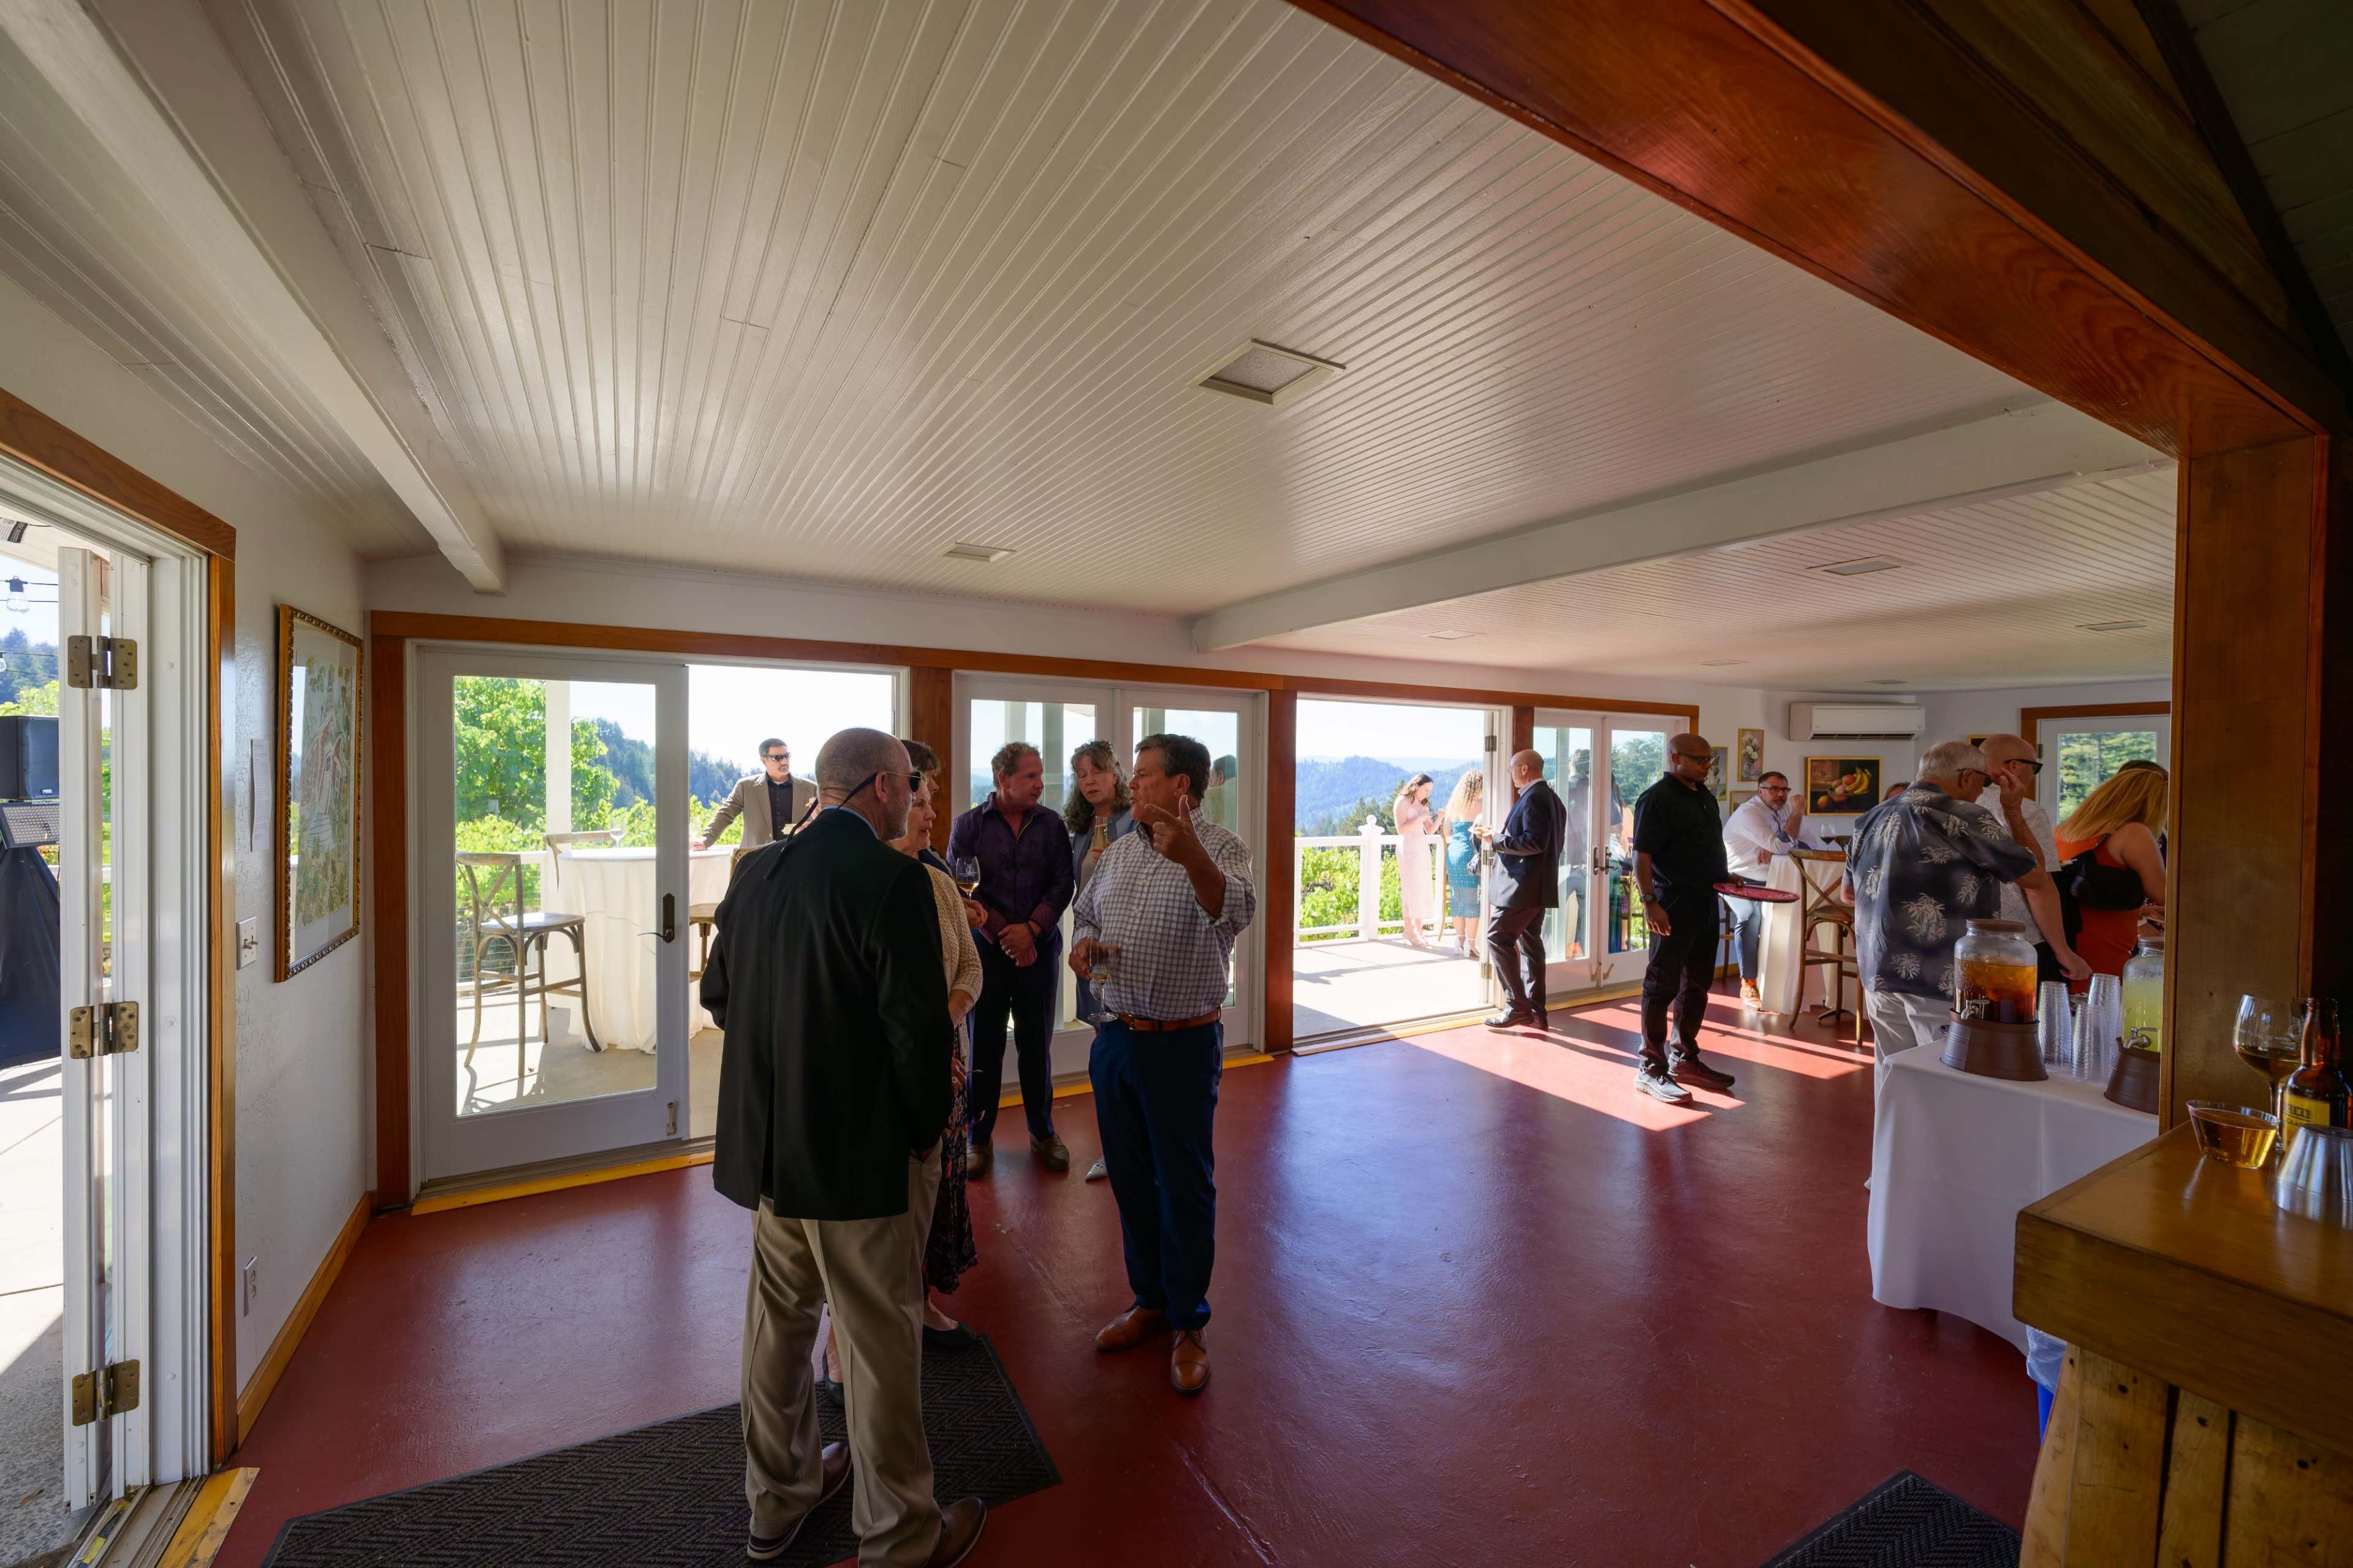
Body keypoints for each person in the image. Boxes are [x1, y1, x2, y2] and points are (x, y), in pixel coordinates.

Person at [700, 727, 984, 1568]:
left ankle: (777, 1499)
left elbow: (720, 997)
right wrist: (931, 1128)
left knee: (777, 1328)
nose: (911, 797)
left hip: (770, 1153)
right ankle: (900, 1535)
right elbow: (915, 1033)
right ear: (880, 787)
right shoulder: (891, 881)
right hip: (861, 1160)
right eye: (906, 784)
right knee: (878, 1341)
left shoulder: (755, 873)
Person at [1072, 733, 1256, 1398]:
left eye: (1144, 776)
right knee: (1129, 1176)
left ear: (1182, 787)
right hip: (1116, 1039)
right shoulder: (1120, 850)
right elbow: (1085, 916)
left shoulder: (1224, 849)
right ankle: (1148, 1301)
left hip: (1180, 1043)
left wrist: (1191, 854)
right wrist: (1083, 949)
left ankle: (1188, 1322)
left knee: (1184, 1183)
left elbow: (1234, 910)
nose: (1133, 786)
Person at [1841, 740, 2058, 1084]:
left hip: (1878, 971)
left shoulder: (1871, 817)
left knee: (1892, 1078)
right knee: (1945, 1081)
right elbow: (2035, 876)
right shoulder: (1963, 815)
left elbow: (1848, 893)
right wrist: (2013, 810)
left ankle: (1892, 1141)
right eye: (1984, 781)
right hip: (1940, 976)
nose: (1982, 790)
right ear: (1968, 777)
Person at [945, 742, 1075, 1176]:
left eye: (1040, 776)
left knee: (1037, 1044)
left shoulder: (1052, 824)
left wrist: (1032, 931)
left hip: (1039, 950)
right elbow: (963, 886)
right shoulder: (968, 825)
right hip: (987, 953)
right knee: (985, 1045)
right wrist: (1007, 933)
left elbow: (1063, 883)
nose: (1041, 784)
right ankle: (977, 1139)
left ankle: (1043, 1132)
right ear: (1004, 780)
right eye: (1031, 776)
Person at [1630, 733, 1740, 1103]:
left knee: (1696, 985)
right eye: (1699, 760)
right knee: (1661, 986)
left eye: (1710, 761)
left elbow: (1705, 849)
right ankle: (1651, 1067)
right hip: (1671, 905)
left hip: (1706, 904)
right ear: (1675, 757)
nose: (1707, 767)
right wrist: (1649, 903)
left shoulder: (1705, 798)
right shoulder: (1656, 799)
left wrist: (1725, 876)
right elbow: (1642, 856)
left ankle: (1684, 1056)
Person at [1066, 739, 1137, 1183]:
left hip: (1128, 951)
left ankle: (1132, 1149)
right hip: (1090, 949)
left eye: (1097, 771)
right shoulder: (1078, 827)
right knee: (1106, 1050)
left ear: (1116, 775)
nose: (1089, 780)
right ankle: (1113, 1148)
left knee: (1131, 1055)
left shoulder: (1135, 822)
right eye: (1080, 773)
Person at [1974, 735, 2091, 985]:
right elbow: (2039, 886)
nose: (2033, 774)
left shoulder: (1959, 806)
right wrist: (2063, 951)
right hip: (2021, 942)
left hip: (1969, 942)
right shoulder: (2027, 811)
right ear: (2013, 766)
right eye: (2034, 766)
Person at [2053, 764, 2169, 985]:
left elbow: (2083, 895)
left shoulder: (2063, 832)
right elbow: (2165, 894)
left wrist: (2140, 911)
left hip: (2067, 945)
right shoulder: (2134, 833)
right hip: (2106, 948)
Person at [1476, 750, 1565, 1031]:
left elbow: (1535, 842)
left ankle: (1518, 1007)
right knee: (1531, 946)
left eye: (1511, 769)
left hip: (1522, 887)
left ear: (1525, 769)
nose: (1510, 774)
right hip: (1538, 886)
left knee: (1496, 937)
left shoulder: (1535, 797)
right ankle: (1538, 1012)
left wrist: (1497, 840)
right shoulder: (1553, 799)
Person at [1719, 769, 1823, 1008]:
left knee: (1799, 915)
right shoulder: (1748, 813)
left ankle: (1794, 986)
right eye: (1774, 789)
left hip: (1775, 881)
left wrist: (1782, 842)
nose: (1781, 795)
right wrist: (1792, 823)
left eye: (1784, 790)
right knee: (1750, 917)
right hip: (1739, 881)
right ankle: (1749, 984)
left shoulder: (1784, 811)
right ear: (1760, 791)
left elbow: (1813, 842)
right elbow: (1781, 847)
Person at [701, 737, 819, 850]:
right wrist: (705, 840)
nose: (784, 762)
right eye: (777, 758)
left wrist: (814, 827)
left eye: (786, 756)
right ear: (764, 760)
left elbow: (825, 819)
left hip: (796, 860)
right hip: (756, 861)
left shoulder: (810, 788)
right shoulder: (745, 787)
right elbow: (725, 815)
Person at [1439, 770, 1485, 953]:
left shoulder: (1454, 805)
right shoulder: (1482, 805)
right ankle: (1471, 944)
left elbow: (1447, 832)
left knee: (1457, 898)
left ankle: (1459, 940)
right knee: (1473, 900)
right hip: (1469, 853)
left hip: (1453, 854)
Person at [1392, 773, 1439, 949]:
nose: (1427, 793)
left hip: (1421, 849)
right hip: (1408, 849)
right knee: (1410, 888)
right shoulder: (1402, 802)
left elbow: (1430, 831)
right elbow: (1401, 829)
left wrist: (1438, 819)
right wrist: (1419, 817)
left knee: (1422, 887)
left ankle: (1419, 930)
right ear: (1417, 786)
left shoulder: (1422, 804)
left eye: (1429, 791)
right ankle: (1408, 929)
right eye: (1426, 789)